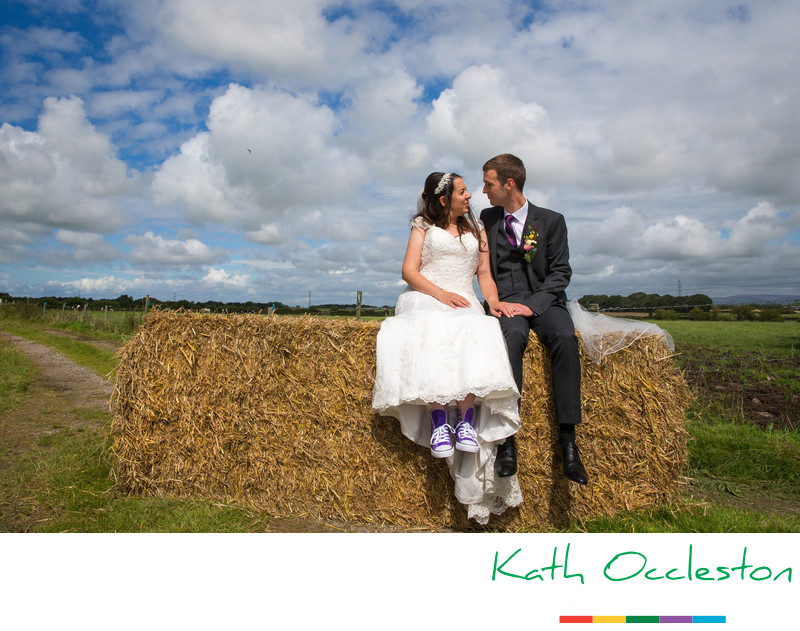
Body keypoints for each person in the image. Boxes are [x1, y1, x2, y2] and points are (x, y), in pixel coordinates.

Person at [372, 172, 523, 524]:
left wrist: (493, 302)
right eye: (462, 191)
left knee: (476, 327)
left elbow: (484, 275)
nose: (470, 195)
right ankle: (439, 418)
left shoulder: (477, 230)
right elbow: (409, 271)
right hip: (427, 296)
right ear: (444, 200)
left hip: (465, 299)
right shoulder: (422, 226)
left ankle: (466, 419)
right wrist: (438, 294)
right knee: (432, 327)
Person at [480, 153, 589, 485]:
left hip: (546, 302)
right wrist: (496, 302)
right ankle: (507, 441)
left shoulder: (552, 221)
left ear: (509, 184)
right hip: (504, 304)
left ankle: (569, 442)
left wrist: (533, 305)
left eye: (488, 183)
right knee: (510, 338)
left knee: (566, 339)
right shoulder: (486, 218)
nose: (484, 190)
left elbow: (561, 272)